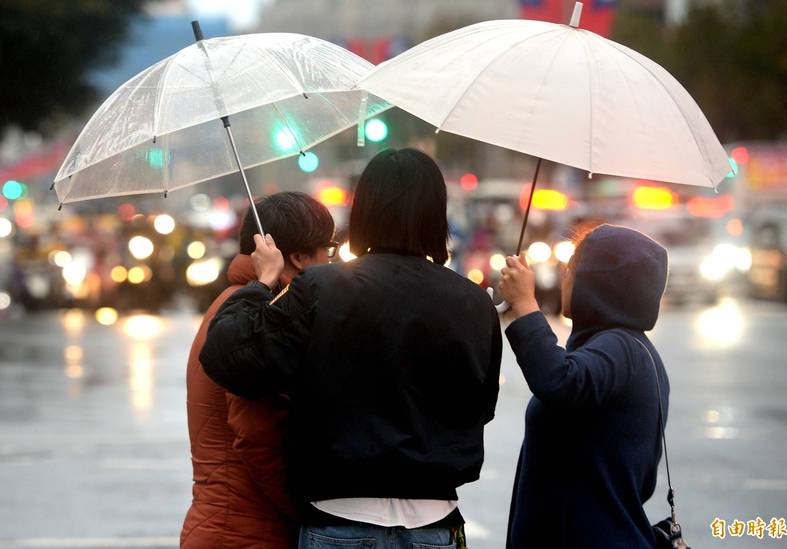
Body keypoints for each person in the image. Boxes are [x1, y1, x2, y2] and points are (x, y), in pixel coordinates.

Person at [200, 148, 502, 549]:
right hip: (435, 522)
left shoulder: (320, 288)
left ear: (364, 211)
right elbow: (482, 407)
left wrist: (260, 284)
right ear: (436, 213)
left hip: (339, 518)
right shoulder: (473, 302)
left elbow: (227, 355)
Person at [181, 192, 337, 549]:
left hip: (227, 524)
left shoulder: (238, 305)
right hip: (246, 532)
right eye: (328, 247)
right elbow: (259, 436)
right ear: (297, 257)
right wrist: (312, 512)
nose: (332, 259)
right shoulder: (256, 320)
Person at [499, 224, 670, 548]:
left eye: (571, 270)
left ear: (596, 282)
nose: (564, 277)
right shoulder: (616, 348)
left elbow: (559, 382)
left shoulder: (622, 349)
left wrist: (525, 304)